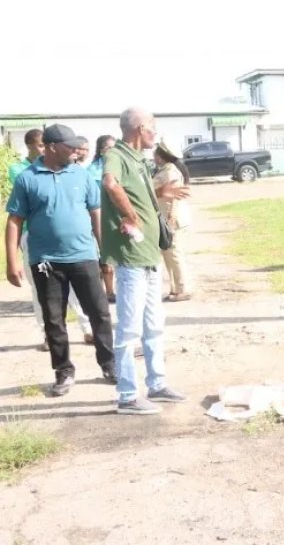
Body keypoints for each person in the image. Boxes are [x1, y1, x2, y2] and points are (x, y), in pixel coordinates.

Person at [4, 124, 115, 396]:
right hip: (46, 261)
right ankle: (63, 371)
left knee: (99, 312)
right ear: (52, 147)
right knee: (54, 319)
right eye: (70, 146)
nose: (76, 151)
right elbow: (15, 220)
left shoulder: (81, 174)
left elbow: (96, 212)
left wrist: (105, 252)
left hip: (83, 255)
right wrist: (12, 261)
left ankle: (109, 363)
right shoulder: (27, 178)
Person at [101, 107, 188, 415]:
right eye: (153, 128)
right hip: (132, 258)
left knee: (153, 327)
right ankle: (127, 396)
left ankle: (157, 384)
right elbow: (110, 183)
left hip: (149, 255)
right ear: (140, 128)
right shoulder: (117, 155)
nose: (155, 134)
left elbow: (135, 191)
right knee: (128, 330)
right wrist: (129, 214)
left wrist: (159, 191)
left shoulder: (139, 160)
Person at [7, 129, 48, 349]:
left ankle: (86, 326)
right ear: (30, 146)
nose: (44, 149)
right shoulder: (18, 170)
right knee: (39, 284)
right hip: (31, 232)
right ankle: (47, 332)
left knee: (69, 282)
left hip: (53, 231)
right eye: (40, 145)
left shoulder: (53, 166)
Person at [152, 140, 193, 301]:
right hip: (165, 218)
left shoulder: (170, 172)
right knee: (168, 254)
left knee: (174, 254)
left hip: (171, 219)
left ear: (161, 156)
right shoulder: (165, 170)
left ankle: (182, 288)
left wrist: (171, 218)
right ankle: (175, 289)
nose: (153, 156)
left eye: (156, 153)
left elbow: (175, 197)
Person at [89, 135, 117, 302]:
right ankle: (108, 291)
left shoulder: (118, 166)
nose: (113, 151)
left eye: (115, 148)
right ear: (101, 151)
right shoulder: (92, 172)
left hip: (117, 217)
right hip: (100, 218)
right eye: (109, 148)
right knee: (103, 256)